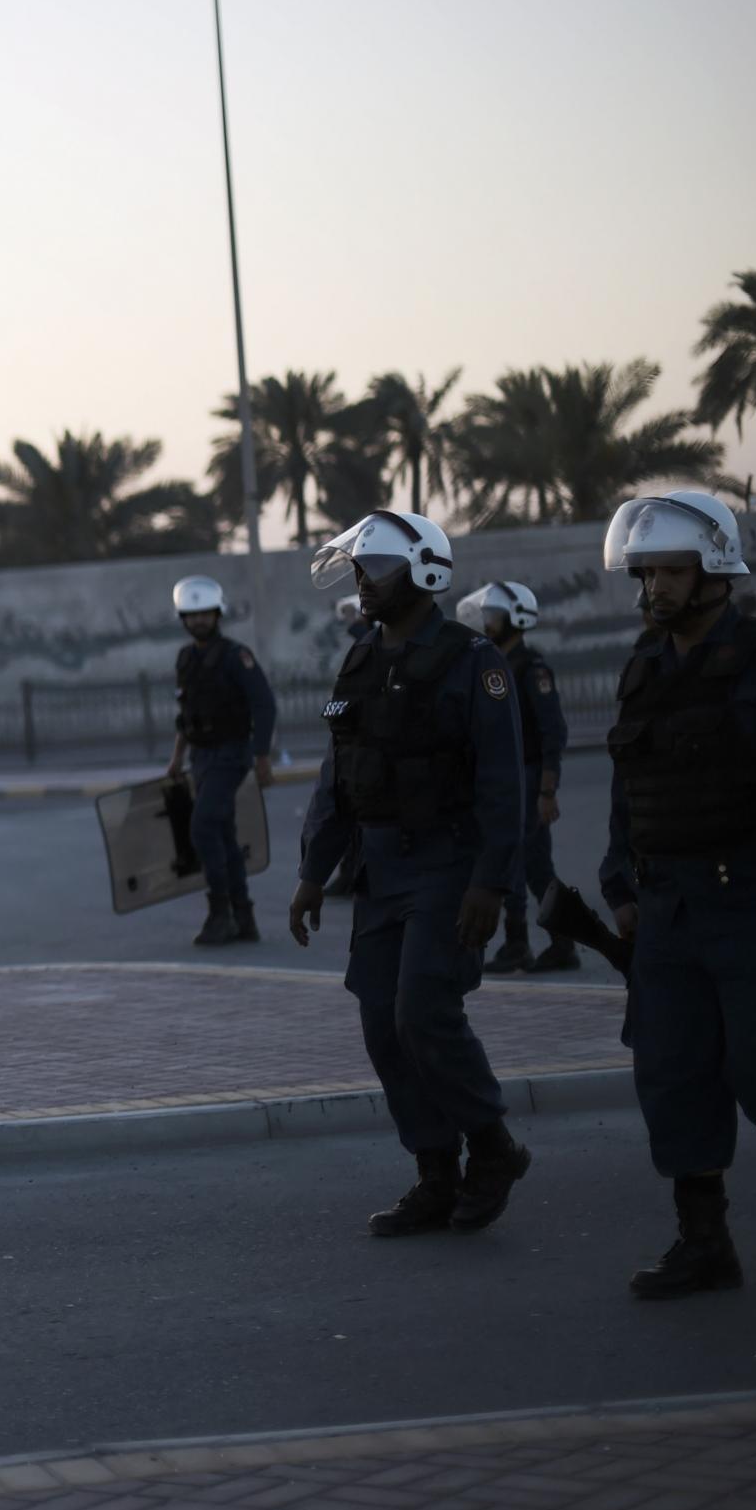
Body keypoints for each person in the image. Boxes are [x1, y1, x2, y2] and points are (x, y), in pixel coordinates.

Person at [594, 492, 756, 1298]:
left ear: (714, 573)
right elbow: (629, 785)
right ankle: (704, 1243)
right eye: (646, 573)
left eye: (670, 571)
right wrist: (620, 882)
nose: (654, 588)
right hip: (668, 908)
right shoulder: (645, 665)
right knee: (672, 1074)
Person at [289, 510, 533, 1238]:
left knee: (423, 1014)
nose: (362, 582)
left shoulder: (473, 661)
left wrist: (491, 883)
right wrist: (312, 871)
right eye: (359, 569)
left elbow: (501, 783)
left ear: (424, 573)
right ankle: (435, 1173)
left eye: (377, 569)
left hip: (448, 867)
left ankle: (492, 1148)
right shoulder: (361, 660)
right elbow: (341, 776)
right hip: (379, 870)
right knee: (382, 1029)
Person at [456, 583, 575, 972]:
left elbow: (552, 731)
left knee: (520, 862)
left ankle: (520, 942)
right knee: (534, 866)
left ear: (517, 620)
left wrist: (547, 789)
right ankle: (559, 943)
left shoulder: (530, 667)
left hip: (528, 779)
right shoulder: (495, 664)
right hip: (511, 778)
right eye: (487, 617)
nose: (488, 624)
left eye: (495, 617)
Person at [164, 575, 276, 946]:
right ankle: (243, 918)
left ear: (217, 614)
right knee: (223, 834)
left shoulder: (235, 656)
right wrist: (177, 757)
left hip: (231, 754)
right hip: (201, 756)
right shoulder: (185, 658)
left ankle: (219, 914)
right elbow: (185, 713)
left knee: (203, 826)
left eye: (204, 614)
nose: (197, 621)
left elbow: (264, 704)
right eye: (191, 615)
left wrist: (262, 757)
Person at [324, 595, 375, 897]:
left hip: (369, 746)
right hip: (353, 744)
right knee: (347, 812)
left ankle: (356, 873)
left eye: (354, 616)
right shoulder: (360, 648)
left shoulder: (374, 643)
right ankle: (349, 872)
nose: (349, 622)